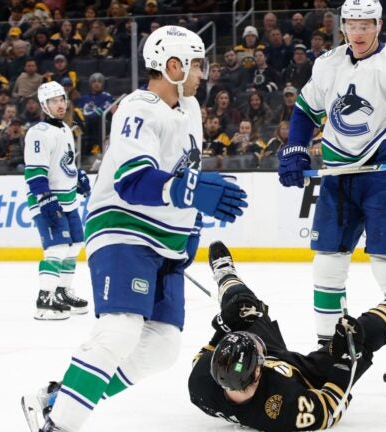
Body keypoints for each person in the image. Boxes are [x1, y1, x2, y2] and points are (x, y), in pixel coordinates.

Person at [21, 25, 248, 432]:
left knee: (162, 347)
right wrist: (190, 191)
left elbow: (183, 174)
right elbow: (132, 178)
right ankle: (58, 426)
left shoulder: (190, 109)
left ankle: (61, 398)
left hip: (166, 242)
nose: (203, 73)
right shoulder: (138, 107)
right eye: (197, 64)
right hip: (124, 230)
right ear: (173, 66)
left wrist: (189, 229)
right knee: (120, 330)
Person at [276, 0, 386, 396]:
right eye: (351, 23)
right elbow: (304, 111)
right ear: (343, 26)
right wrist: (297, 148)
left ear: (379, 25)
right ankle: (328, 353)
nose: (358, 31)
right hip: (338, 177)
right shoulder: (328, 64)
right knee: (327, 265)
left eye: (365, 24)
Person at [188, 241, 386, 431]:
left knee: (244, 308)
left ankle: (225, 275)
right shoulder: (282, 411)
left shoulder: (201, 383)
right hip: (308, 375)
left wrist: (224, 324)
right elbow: (331, 408)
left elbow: (211, 349)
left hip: (259, 364)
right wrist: (343, 360)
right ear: (258, 371)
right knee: (361, 336)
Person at [21, 81, 89, 320]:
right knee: (57, 248)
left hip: (68, 199)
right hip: (49, 200)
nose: (59, 104)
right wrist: (45, 199)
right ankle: (45, 298)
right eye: (53, 101)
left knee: (75, 245)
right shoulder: (38, 133)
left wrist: (77, 176)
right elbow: (35, 173)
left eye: (61, 99)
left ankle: (62, 291)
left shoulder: (65, 129)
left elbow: (65, 163)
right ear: (44, 105)